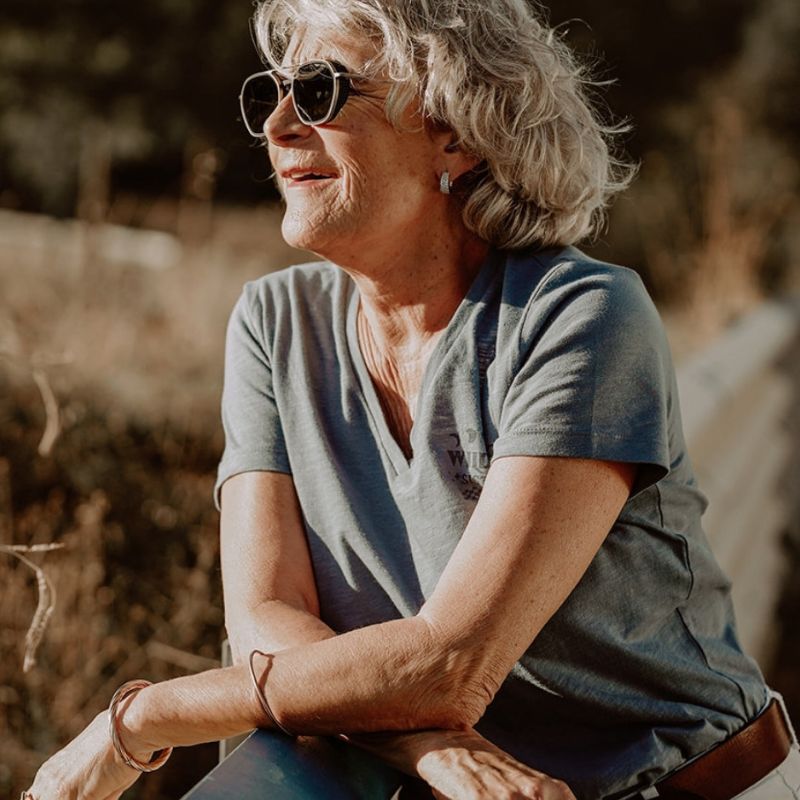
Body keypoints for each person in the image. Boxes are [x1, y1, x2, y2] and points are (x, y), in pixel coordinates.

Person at [25, 1, 800, 798]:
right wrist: (426, 744)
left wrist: (143, 717)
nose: (279, 127)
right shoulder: (274, 324)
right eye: (270, 95)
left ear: (455, 131)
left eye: (321, 92)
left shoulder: (581, 318)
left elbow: (452, 666)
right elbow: (265, 624)